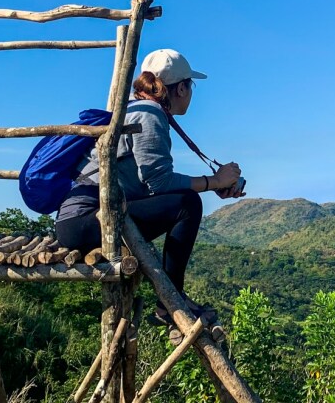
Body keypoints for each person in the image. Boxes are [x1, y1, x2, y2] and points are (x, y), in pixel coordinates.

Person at [55, 48, 244, 328]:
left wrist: (212, 184)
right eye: (190, 86)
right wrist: (214, 182)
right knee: (188, 205)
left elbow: (151, 185)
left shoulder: (135, 108)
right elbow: (160, 182)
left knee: (185, 200)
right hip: (87, 220)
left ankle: (171, 302)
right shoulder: (150, 114)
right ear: (181, 88)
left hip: (81, 219)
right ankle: (170, 304)